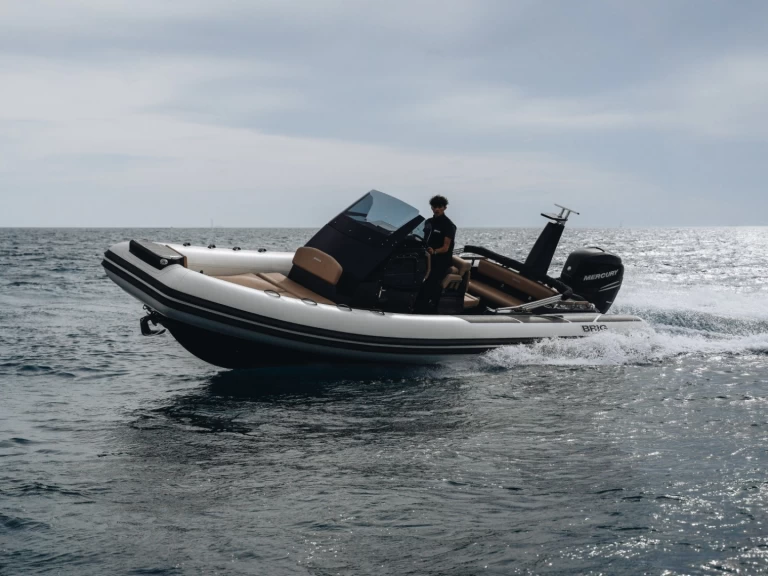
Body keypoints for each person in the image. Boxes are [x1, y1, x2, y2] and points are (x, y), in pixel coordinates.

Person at [416, 195, 457, 314]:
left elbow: (445, 248)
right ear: (431, 208)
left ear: (445, 208)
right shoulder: (428, 222)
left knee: (429, 284)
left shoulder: (449, 225)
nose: (437, 209)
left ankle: (426, 309)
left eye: (440, 206)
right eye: (434, 206)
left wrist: (434, 251)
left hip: (441, 261)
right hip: (426, 258)